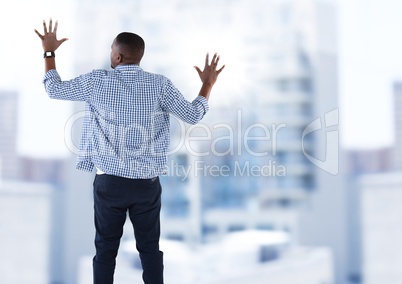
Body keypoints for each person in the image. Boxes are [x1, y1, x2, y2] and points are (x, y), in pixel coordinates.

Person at [35, 19, 224, 284]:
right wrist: (207, 84)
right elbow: (193, 115)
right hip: (146, 185)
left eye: (111, 50)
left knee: (105, 250)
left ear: (118, 55)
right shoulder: (160, 85)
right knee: (149, 249)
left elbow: (53, 89)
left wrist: (49, 51)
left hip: (109, 182)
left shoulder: (97, 81)